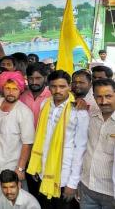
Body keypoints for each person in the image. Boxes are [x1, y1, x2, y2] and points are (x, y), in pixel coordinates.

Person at [27, 70, 89, 209]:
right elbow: (41, 138)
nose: (57, 90)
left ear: (70, 86)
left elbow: (80, 149)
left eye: (62, 86)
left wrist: (72, 184)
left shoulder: (79, 111)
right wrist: (37, 166)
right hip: (43, 171)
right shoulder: (45, 104)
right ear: (49, 87)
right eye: (54, 86)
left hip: (64, 177)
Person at [79, 79, 115, 208]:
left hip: (111, 194)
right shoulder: (90, 117)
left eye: (108, 96)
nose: (104, 101)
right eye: (99, 97)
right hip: (87, 188)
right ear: (93, 97)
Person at [20, 62, 51, 127]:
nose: (34, 82)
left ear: (45, 78)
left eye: (38, 78)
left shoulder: (51, 97)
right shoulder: (22, 97)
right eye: (30, 78)